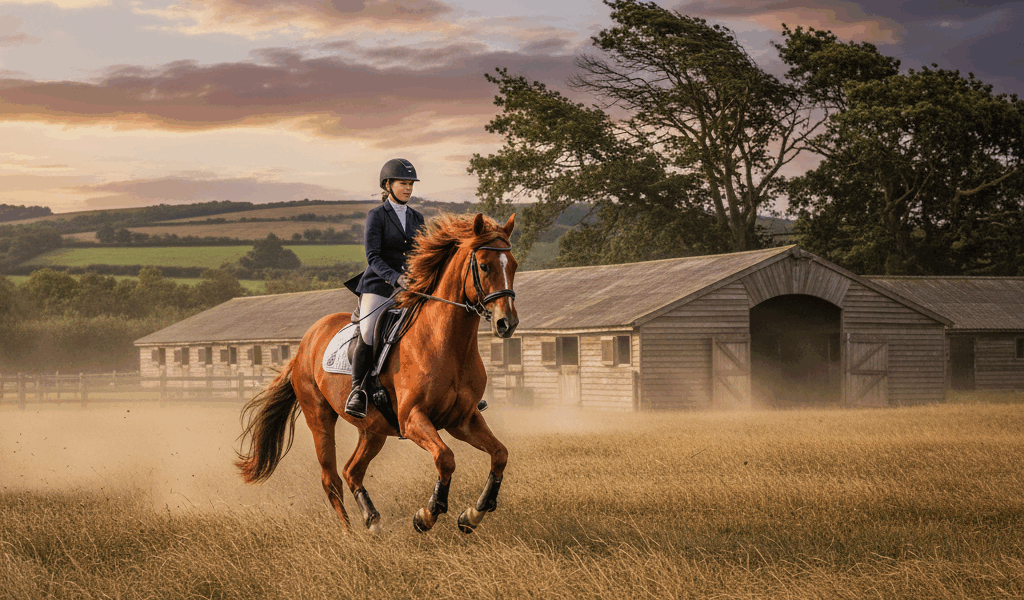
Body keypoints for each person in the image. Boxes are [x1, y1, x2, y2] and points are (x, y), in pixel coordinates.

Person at [345, 158, 425, 418]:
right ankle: (358, 389)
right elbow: (373, 257)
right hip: (379, 284)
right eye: (403, 183)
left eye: (411, 184)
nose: (408, 188)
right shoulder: (376, 216)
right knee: (368, 330)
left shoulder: (417, 217)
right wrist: (395, 278)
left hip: (411, 285)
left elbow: (421, 254)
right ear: (388, 185)